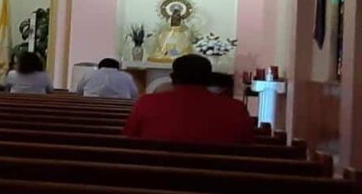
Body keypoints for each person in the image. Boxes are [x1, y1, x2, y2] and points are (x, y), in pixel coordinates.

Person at [123, 54, 255, 145]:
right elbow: (247, 143)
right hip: (218, 180)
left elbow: (129, 138)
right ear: (209, 79)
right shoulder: (235, 108)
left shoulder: (147, 102)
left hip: (155, 178)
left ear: (173, 78)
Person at [75, 58, 139, 99]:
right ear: (118, 67)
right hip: (119, 111)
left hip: (91, 109)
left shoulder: (89, 74)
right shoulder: (126, 77)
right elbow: (134, 95)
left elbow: (79, 92)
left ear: (99, 67)